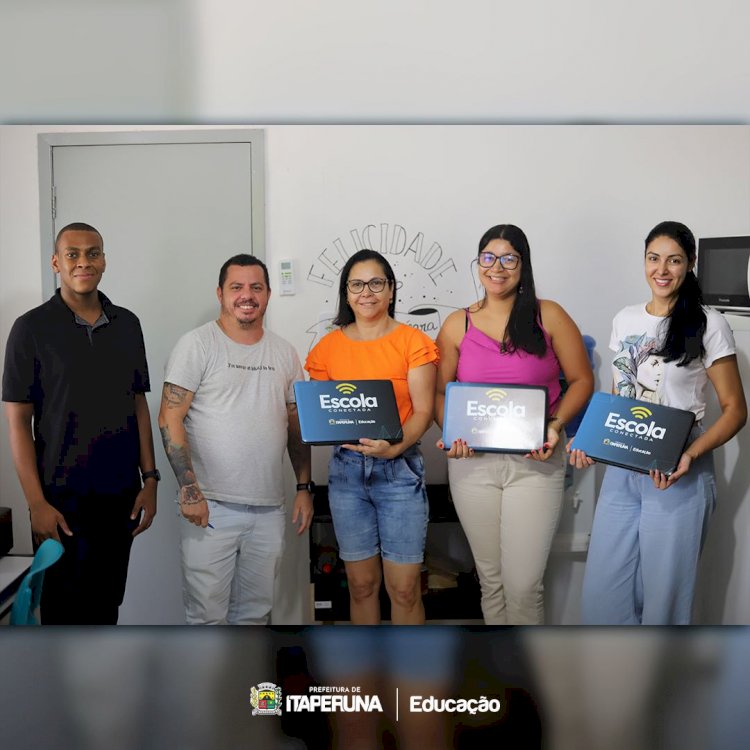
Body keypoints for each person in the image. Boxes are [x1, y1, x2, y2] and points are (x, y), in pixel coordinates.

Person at [570, 220, 747, 625]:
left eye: (674, 260)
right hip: (622, 473)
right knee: (602, 600)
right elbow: (621, 400)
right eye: (654, 259)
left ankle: (661, 688)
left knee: (663, 605)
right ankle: (616, 685)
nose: (662, 270)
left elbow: (736, 409)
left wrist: (689, 455)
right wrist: (591, 441)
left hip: (679, 472)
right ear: (644, 261)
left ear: (690, 265)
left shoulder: (709, 323)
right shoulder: (625, 319)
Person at [435, 224, 594, 625]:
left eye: (509, 258)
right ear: (478, 263)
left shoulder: (550, 315)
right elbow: (439, 394)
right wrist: (452, 431)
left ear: (523, 265)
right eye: (488, 257)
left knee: (524, 586)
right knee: (491, 582)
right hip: (472, 465)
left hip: (536, 463)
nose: (497, 267)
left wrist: (555, 425)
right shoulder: (458, 324)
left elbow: (582, 381)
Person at [2, 222, 158, 624]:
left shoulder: (127, 324)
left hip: (119, 499)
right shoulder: (30, 329)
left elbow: (138, 403)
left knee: (107, 610)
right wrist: (36, 504)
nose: (83, 262)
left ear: (104, 260)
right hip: (59, 502)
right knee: (61, 614)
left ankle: (101, 689)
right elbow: (18, 422)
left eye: (93, 253)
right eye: (72, 254)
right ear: (56, 262)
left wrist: (151, 480)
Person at [159, 253, 313, 625]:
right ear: (220, 293)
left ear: (269, 294)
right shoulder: (197, 345)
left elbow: (296, 427)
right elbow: (169, 416)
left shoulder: (285, 353)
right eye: (237, 287)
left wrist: (304, 487)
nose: (247, 295)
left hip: (268, 507)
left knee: (256, 616)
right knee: (207, 616)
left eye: (256, 287)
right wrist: (189, 489)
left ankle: (243, 683)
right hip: (210, 506)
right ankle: (207, 686)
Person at [305, 249, 438, 625]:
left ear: (391, 290)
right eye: (357, 284)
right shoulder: (327, 348)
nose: (367, 292)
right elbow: (321, 414)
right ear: (346, 293)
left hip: (400, 471)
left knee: (404, 589)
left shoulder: (413, 342)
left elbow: (424, 411)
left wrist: (394, 447)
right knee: (361, 586)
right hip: (347, 475)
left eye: (377, 283)